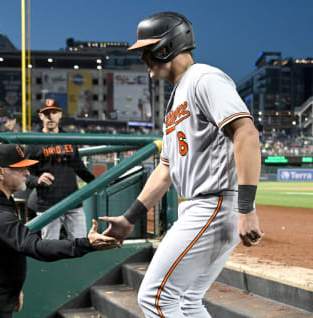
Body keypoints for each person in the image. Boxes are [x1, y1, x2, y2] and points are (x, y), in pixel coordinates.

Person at [100, 12, 264, 318]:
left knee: (155, 298)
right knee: (187, 301)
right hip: (203, 207)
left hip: (213, 205)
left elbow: (246, 132)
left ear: (166, 47)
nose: (143, 58)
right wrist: (130, 217)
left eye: (146, 50)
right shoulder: (177, 98)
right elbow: (165, 171)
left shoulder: (205, 78)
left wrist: (246, 209)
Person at [0, 144, 119, 318]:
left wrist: (13, 290)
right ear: (0, 173)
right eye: (20, 168)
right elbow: (35, 246)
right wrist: (87, 243)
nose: (27, 173)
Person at [25, 99, 95, 239]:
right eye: (46, 114)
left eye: (54, 112)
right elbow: (23, 174)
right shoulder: (33, 141)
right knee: (49, 247)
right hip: (48, 205)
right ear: (40, 116)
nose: (50, 117)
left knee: (80, 243)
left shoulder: (68, 138)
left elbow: (79, 167)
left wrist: (97, 181)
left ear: (60, 115)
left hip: (73, 202)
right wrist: (36, 179)